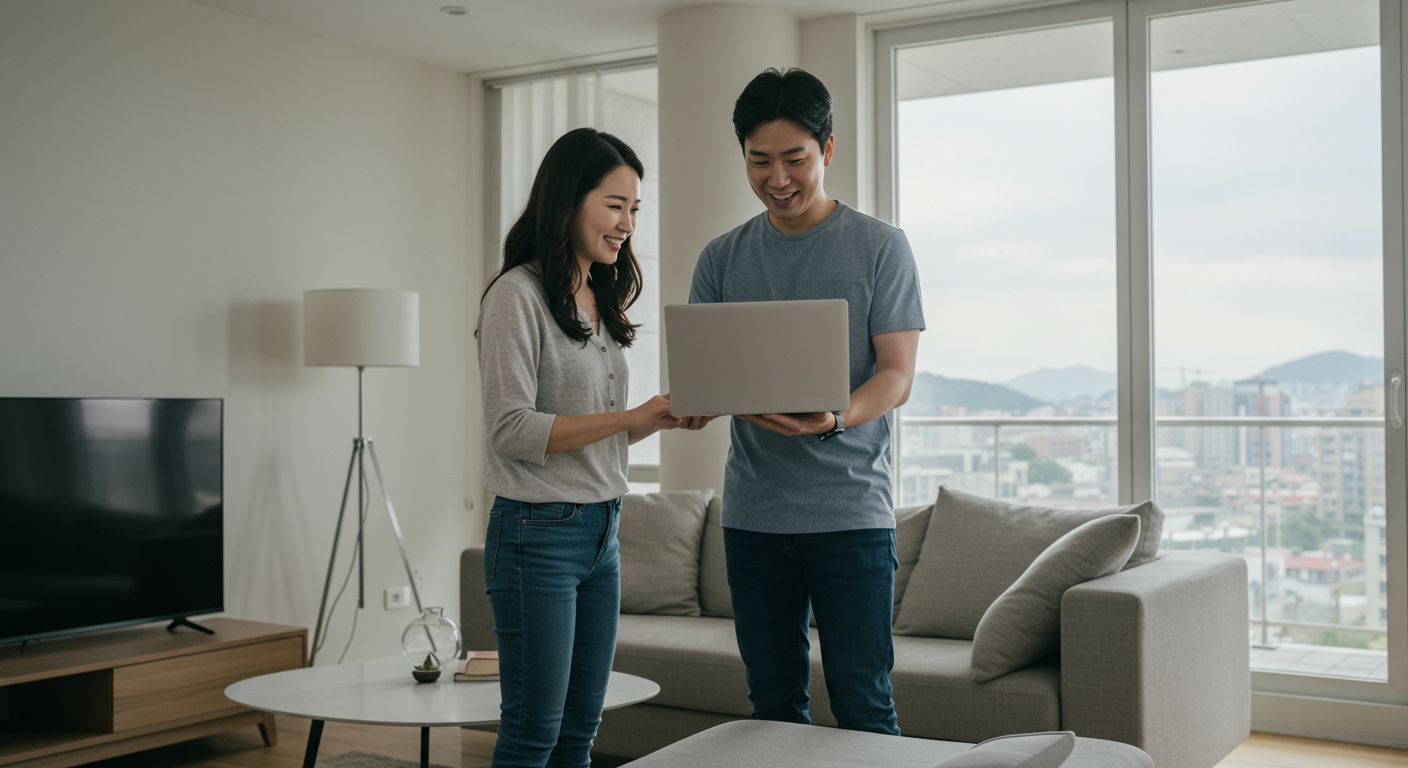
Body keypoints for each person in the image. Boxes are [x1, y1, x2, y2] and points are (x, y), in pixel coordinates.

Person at [684, 68, 925, 735]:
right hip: (753, 517)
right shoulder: (722, 258)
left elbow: (897, 375)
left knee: (863, 702)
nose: (777, 178)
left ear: (828, 149)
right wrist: (699, 399)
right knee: (771, 709)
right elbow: (706, 372)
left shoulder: (880, 247)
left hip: (850, 515)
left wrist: (837, 416)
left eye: (794, 158)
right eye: (759, 161)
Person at [476, 127, 681, 768]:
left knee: (579, 734)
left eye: (635, 210)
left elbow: (598, 431)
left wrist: (661, 418)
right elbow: (511, 430)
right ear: (569, 200)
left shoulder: (598, 294)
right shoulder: (517, 295)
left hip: (602, 532)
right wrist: (629, 415)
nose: (626, 224)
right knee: (534, 734)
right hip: (537, 533)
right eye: (614, 204)